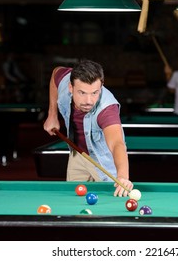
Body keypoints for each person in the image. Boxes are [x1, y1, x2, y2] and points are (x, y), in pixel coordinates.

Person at [43, 59, 133, 197]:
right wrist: (52, 114)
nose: (89, 101)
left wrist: (123, 176)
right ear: (70, 87)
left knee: (111, 209)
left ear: (101, 86)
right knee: (72, 203)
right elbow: (56, 73)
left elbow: (117, 144)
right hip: (77, 154)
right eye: (82, 93)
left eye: (94, 93)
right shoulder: (64, 79)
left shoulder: (107, 109)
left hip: (103, 162)